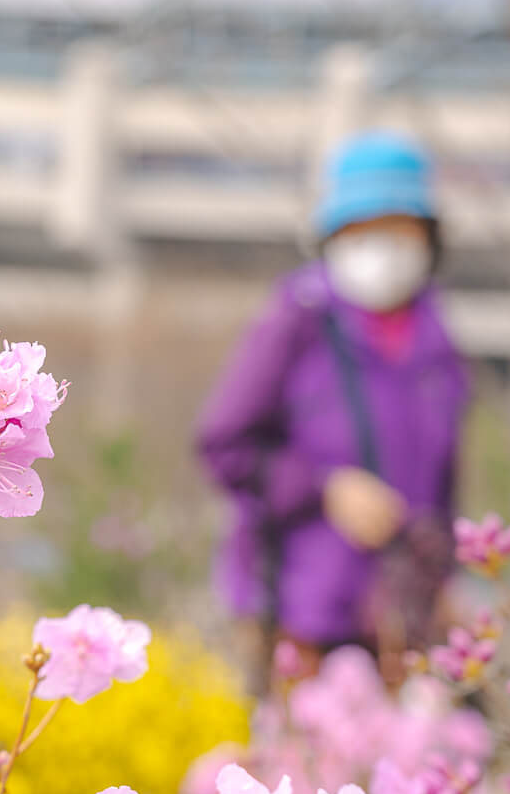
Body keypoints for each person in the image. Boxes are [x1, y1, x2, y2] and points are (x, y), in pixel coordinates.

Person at [196, 132, 468, 692]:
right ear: (334, 235)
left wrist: (448, 575)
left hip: (403, 617)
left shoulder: (437, 337)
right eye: (365, 229)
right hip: (302, 613)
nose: (384, 246)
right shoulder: (297, 319)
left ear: (428, 236)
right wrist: (325, 488)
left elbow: (446, 481)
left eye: (400, 227)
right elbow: (224, 445)